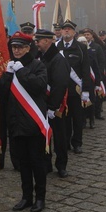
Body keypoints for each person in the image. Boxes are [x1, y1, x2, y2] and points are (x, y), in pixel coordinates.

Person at [0, 31, 48, 212]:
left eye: (20, 47)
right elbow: (1, 93)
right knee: (23, 164)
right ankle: (26, 197)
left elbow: (39, 86)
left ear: (28, 48)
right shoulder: (10, 67)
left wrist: (21, 71)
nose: (16, 50)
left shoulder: (38, 66)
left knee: (37, 162)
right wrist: (8, 74)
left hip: (33, 124)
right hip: (16, 124)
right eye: (14, 47)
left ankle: (40, 198)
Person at [35, 29, 70, 177]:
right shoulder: (40, 57)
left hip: (55, 106)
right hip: (43, 104)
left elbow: (60, 84)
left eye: (39, 40)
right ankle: (46, 163)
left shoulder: (58, 59)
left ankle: (61, 165)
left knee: (59, 136)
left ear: (47, 41)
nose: (36, 43)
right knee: (44, 135)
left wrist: (53, 106)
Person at [56, 20, 91, 154]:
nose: (66, 31)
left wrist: (86, 90)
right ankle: (65, 142)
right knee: (63, 119)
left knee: (77, 118)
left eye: (69, 29)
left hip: (76, 90)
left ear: (74, 32)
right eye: (64, 29)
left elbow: (85, 70)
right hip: (61, 90)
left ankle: (77, 142)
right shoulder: (56, 46)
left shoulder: (81, 48)